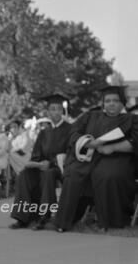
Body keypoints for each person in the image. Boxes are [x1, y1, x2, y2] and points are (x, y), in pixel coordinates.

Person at [55, 85, 138, 231]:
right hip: (89, 157)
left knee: (108, 175)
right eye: (108, 101)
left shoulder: (131, 119)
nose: (111, 103)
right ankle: (65, 221)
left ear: (122, 103)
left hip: (117, 158)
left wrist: (112, 148)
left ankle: (110, 222)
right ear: (103, 103)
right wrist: (88, 142)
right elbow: (73, 132)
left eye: (116, 101)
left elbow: (135, 142)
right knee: (74, 174)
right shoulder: (90, 116)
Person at [9, 95, 71, 230]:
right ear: (48, 112)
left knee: (48, 174)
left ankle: (44, 216)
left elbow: (70, 152)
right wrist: (37, 163)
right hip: (43, 166)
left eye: (59, 109)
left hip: (60, 168)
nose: (55, 112)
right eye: (52, 109)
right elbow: (36, 154)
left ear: (62, 111)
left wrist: (52, 162)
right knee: (24, 175)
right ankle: (23, 218)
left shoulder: (70, 129)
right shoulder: (44, 132)